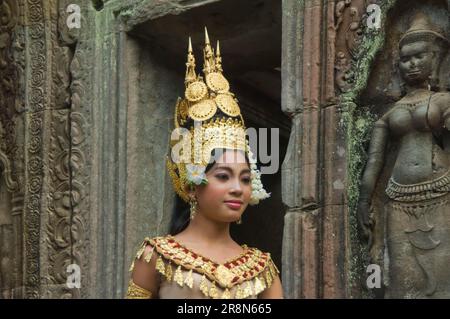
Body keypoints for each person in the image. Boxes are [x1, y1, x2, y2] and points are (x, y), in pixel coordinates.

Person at [125, 28, 283, 299]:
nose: (238, 188)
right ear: (191, 187)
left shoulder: (261, 269)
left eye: (245, 179)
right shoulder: (156, 257)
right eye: (223, 176)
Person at [357, 13, 450, 298]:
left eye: (419, 56)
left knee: (444, 275)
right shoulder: (389, 114)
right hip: (398, 199)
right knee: (401, 275)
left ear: (434, 59)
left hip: (441, 192)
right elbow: (375, 161)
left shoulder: (444, 100)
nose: (411, 64)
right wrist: (364, 199)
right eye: (405, 59)